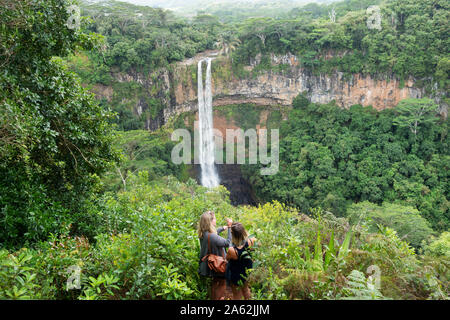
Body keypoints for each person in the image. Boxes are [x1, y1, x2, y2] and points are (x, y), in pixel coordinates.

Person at [198, 211, 233, 300]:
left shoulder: (203, 233)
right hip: (218, 264)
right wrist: (229, 227)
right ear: (210, 222)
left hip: (210, 263)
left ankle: (213, 298)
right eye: (214, 218)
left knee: (215, 282)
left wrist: (222, 228)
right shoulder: (212, 236)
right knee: (222, 283)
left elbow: (213, 234)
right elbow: (227, 243)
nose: (216, 220)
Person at [226, 222, 256, 300]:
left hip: (236, 274)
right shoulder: (251, 241)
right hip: (247, 271)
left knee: (236, 294)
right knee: (246, 289)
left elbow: (227, 258)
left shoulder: (232, 250)